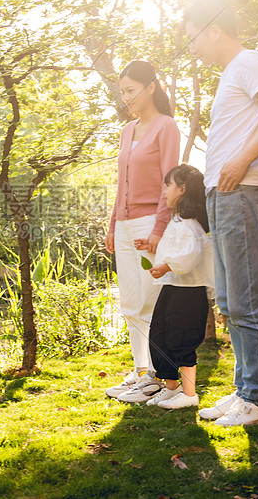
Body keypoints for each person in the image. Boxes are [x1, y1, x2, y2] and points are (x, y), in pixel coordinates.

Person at [184, 0, 258, 426]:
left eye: (193, 36)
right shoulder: (232, 73)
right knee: (232, 302)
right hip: (225, 197)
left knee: (246, 302)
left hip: (242, 193)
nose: (192, 46)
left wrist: (240, 161)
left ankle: (255, 401)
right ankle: (242, 392)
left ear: (214, 30)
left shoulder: (249, 60)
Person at [104, 60, 180, 403]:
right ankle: (141, 372)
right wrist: (112, 225)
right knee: (130, 303)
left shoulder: (167, 128)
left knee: (150, 300)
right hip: (123, 225)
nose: (126, 98)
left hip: (150, 224)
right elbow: (120, 185)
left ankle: (154, 374)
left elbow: (171, 184)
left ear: (150, 87)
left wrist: (159, 231)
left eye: (131, 90)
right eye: (122, 92)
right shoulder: (126, 130)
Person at [134, 164, 214, 409]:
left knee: (182, 339)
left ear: (182, 189)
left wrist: (167, 266)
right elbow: (175, 250)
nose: (164, 191)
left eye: (168, 185)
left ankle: (190, 395)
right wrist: (149, 244)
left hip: (189, 292)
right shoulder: (177, 220)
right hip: (173, 288)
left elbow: (190, 255)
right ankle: (171, 387)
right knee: (160, 336)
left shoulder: (190, 223)